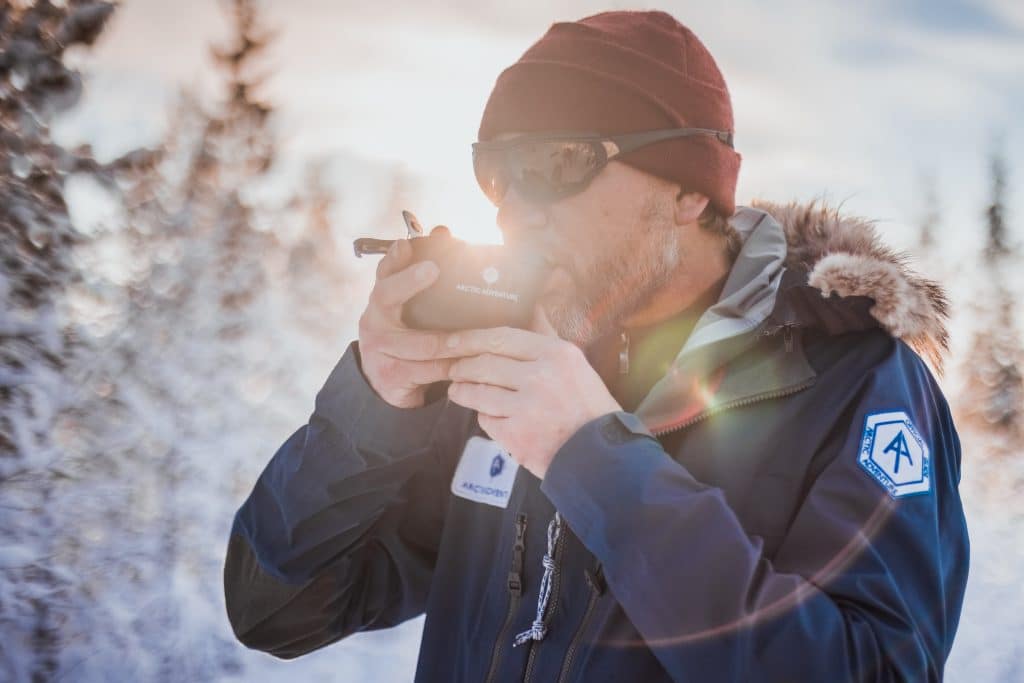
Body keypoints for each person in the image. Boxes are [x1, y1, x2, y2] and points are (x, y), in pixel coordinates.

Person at [223, 10, 969, 682]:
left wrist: (595, 461)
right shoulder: (510, 361)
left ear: (690, 191)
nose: (516, 208)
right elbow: (276, 610)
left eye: (555, 164)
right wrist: (374, 403)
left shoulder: (856, 383)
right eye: (497, 172)